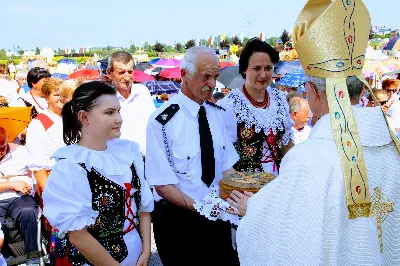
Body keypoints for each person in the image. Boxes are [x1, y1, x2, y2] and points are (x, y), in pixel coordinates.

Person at [236, 0, 400, 265]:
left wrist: (252, 211)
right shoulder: (394, 148)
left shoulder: (308, 159)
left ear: (312, 93)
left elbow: (286, 237)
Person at [146, 46, 240, 266]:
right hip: (179, 221)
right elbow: (162, 183)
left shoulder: (217, 116)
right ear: (184, 75)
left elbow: (227, 169)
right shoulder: (162, 121)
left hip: (217, 216)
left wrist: (241, 195)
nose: (212, 84)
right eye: (204, 76)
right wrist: (198, 206)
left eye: (215, 77)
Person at [43, 81, 154, 266]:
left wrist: (146, 250)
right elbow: (78, 236)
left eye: (118, 111)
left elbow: (143, 206)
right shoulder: (71, 165)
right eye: (109, 112)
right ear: (84, 118)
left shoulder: (129, 152)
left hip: (136, 253)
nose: (119, 119)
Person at [218, 38, 294, 177]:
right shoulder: (229, 105)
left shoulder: (279, 98)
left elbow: (286, 144)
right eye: (256, 68)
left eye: (268, 68)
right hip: (244, 188)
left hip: (279, 184)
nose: (263, 75)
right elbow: (223, 159)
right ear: (244, 69)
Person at [0, 127, 39, 263]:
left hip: (20, 198)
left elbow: (37, 172)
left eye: (2, 147)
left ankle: (33, 259)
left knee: (28, 211)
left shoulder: (20, 151)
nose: (0, 152)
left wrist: (33, 187)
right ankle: (5, 258)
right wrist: (11, 184)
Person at [106, 51, 155, 155]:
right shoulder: (105, 99)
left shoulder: (143, 92)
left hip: (146, 158)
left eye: (130, 72)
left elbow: (153, 124)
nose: (127, 77)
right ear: (109, 74)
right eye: (121, 72)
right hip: (118, 160)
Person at [25, 78, 65, 190]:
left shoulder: (75, 119)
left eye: (64, 94)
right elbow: (37, 165)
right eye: (56, 94)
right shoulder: (39, 123)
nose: (61, 98)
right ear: (47, 98)